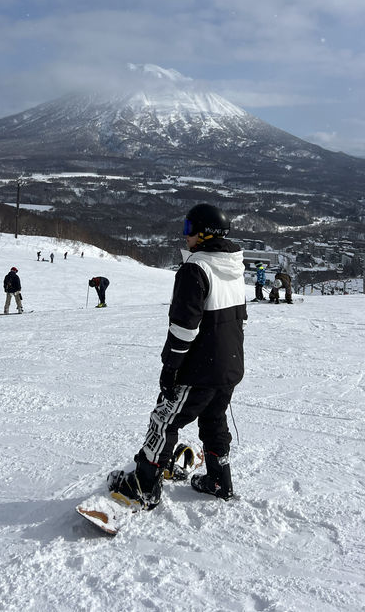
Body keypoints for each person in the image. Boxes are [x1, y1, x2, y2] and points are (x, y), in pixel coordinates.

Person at [108, 203, 246, 510]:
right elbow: (238, 318)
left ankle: (144, 486)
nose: (185, 237)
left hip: (200, 369)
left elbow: (184, 328)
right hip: (229, 367)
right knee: (213, 419)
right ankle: (219, 480)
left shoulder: (195, 269)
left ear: (205, 234)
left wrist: (171, 368)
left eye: (189, 230)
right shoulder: (233, 268)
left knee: (163, 420)